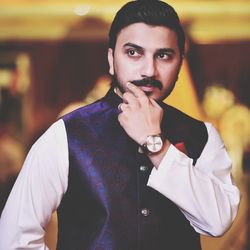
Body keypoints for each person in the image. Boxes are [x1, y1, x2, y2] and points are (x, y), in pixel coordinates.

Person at [0, 1, 240, 249]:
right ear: (111, 59)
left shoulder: (202, 135)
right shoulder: (66, 135)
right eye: (134, 52)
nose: (149, 70)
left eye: (164, 55)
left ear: (180, 63)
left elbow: (218, 221)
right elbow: (15, 239)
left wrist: (156, 146)